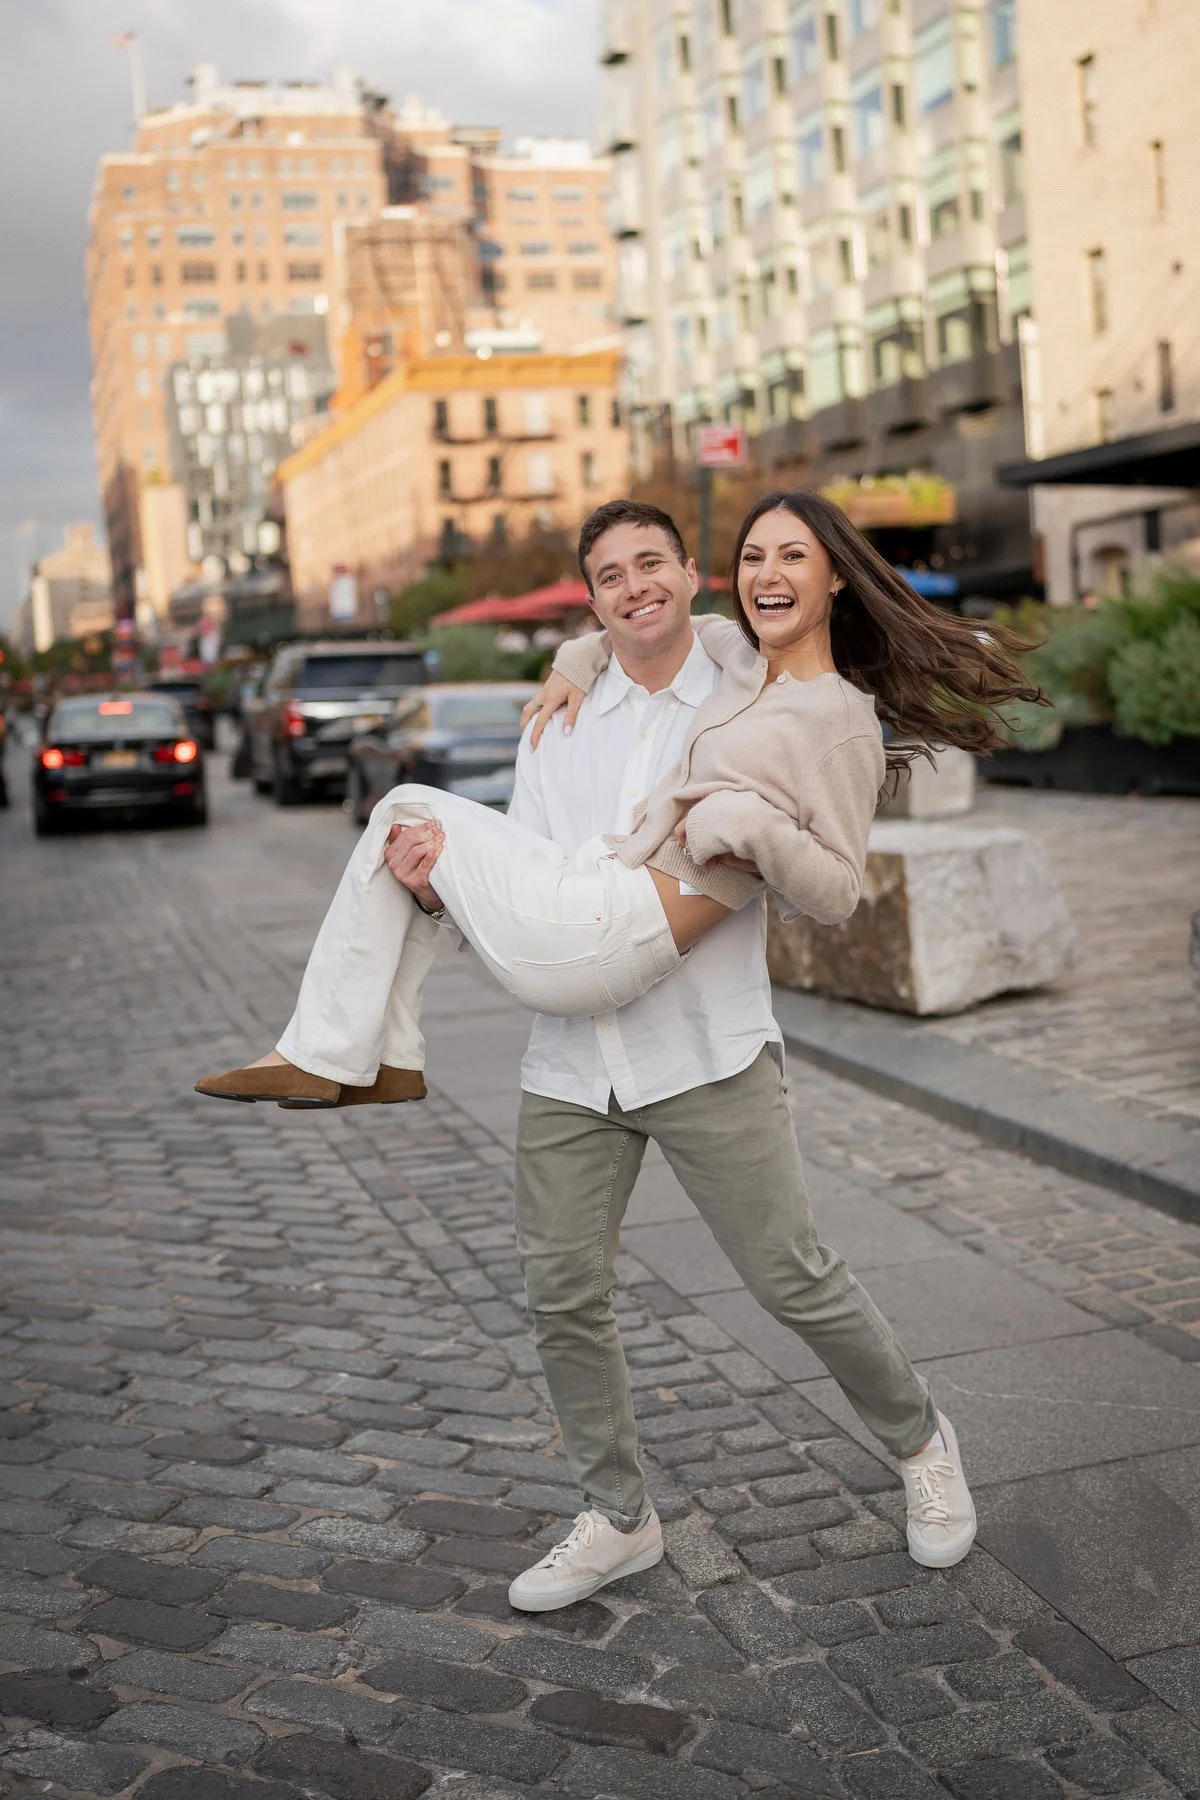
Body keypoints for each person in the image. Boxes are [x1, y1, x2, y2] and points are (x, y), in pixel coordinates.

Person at [224, 492, 1037, 1600]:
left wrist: (737, 817)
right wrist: (439, 897)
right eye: (609, 577)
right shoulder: (565, 720)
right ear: (594, 597)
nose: (635, 588)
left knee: (793, 1277)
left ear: (692, 574)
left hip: (703, 1043)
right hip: (572, 1050)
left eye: (654, 564)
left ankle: (921, 1445)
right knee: (560, 1294)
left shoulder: (744, 674)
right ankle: (617, 1518)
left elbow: (827, 878)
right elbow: (538, 893)